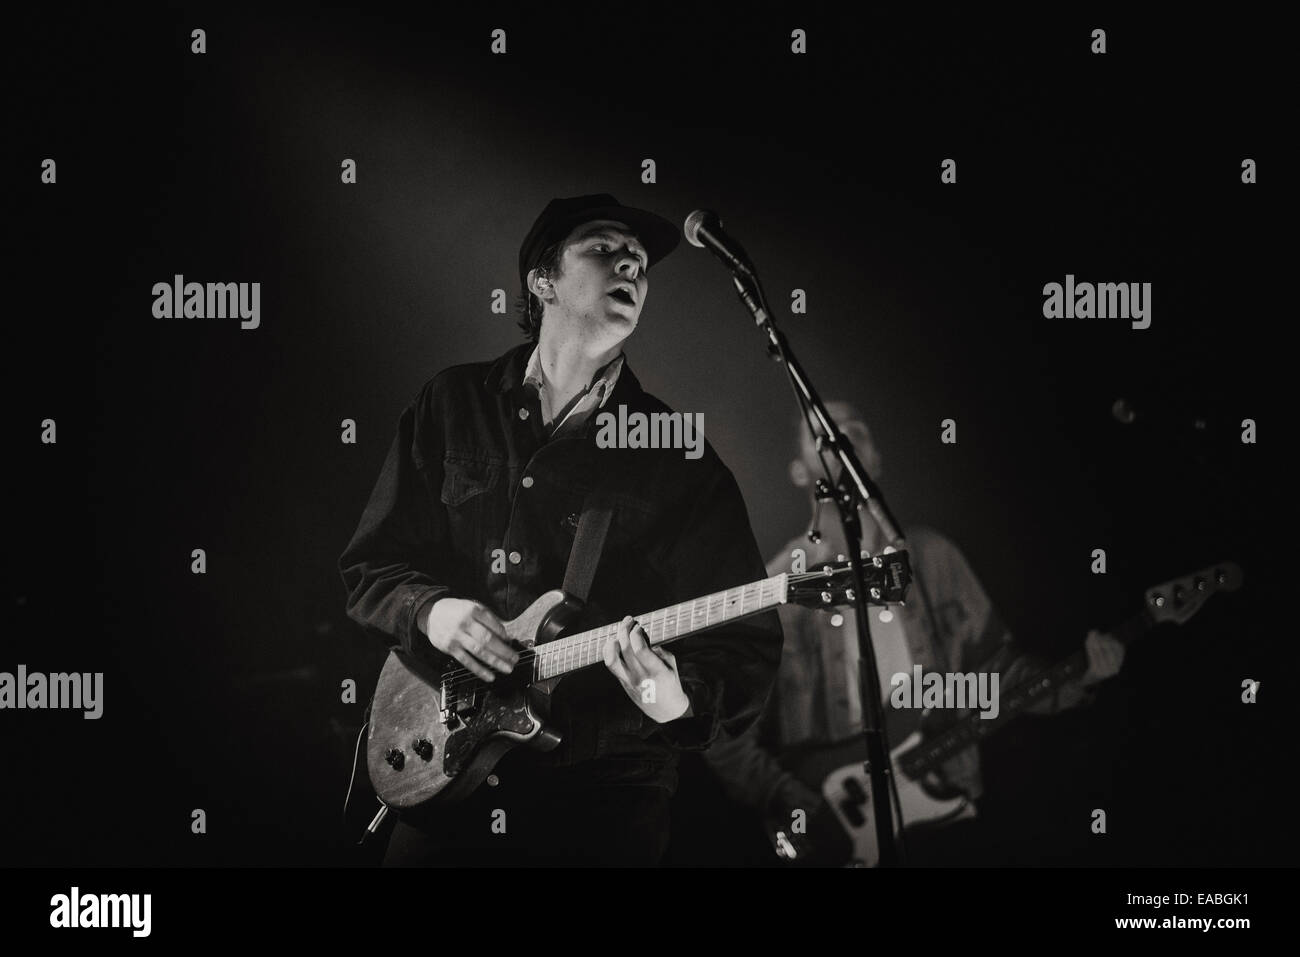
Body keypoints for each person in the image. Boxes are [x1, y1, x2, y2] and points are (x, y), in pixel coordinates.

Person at [338, 194, 782, 866]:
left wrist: (677, 698)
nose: (631, 264)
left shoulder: (676, 453)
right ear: (543, 280)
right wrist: (433, 612)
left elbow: (748, 644)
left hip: (603, 796)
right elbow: (370, 568)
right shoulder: (451, 404)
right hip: (445, 777)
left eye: (639, 262)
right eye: (606, 249)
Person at [703, 400, 1125, 865]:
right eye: (820, 432)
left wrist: (1079, 677)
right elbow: (725, 732)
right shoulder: (779, 587)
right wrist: (790, 796)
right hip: (839, 832)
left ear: (876, 460)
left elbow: (997, 676)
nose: (840, 437)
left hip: (945, 805)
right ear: (799, 471)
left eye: (855, 429)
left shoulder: (934, 558)